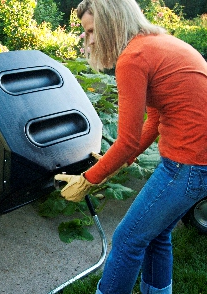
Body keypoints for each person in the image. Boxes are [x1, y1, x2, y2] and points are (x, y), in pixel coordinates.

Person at [54, 0, 207, 293]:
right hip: (199, 165)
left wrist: (87, 180)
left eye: (91, 31)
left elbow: (125, 140)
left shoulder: (133, 57)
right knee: (158, 235)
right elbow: (155, 118)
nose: (88, 40)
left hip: (187, 166)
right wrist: (125, 159)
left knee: (127, 239)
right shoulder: (158, 44)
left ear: (110, 23)